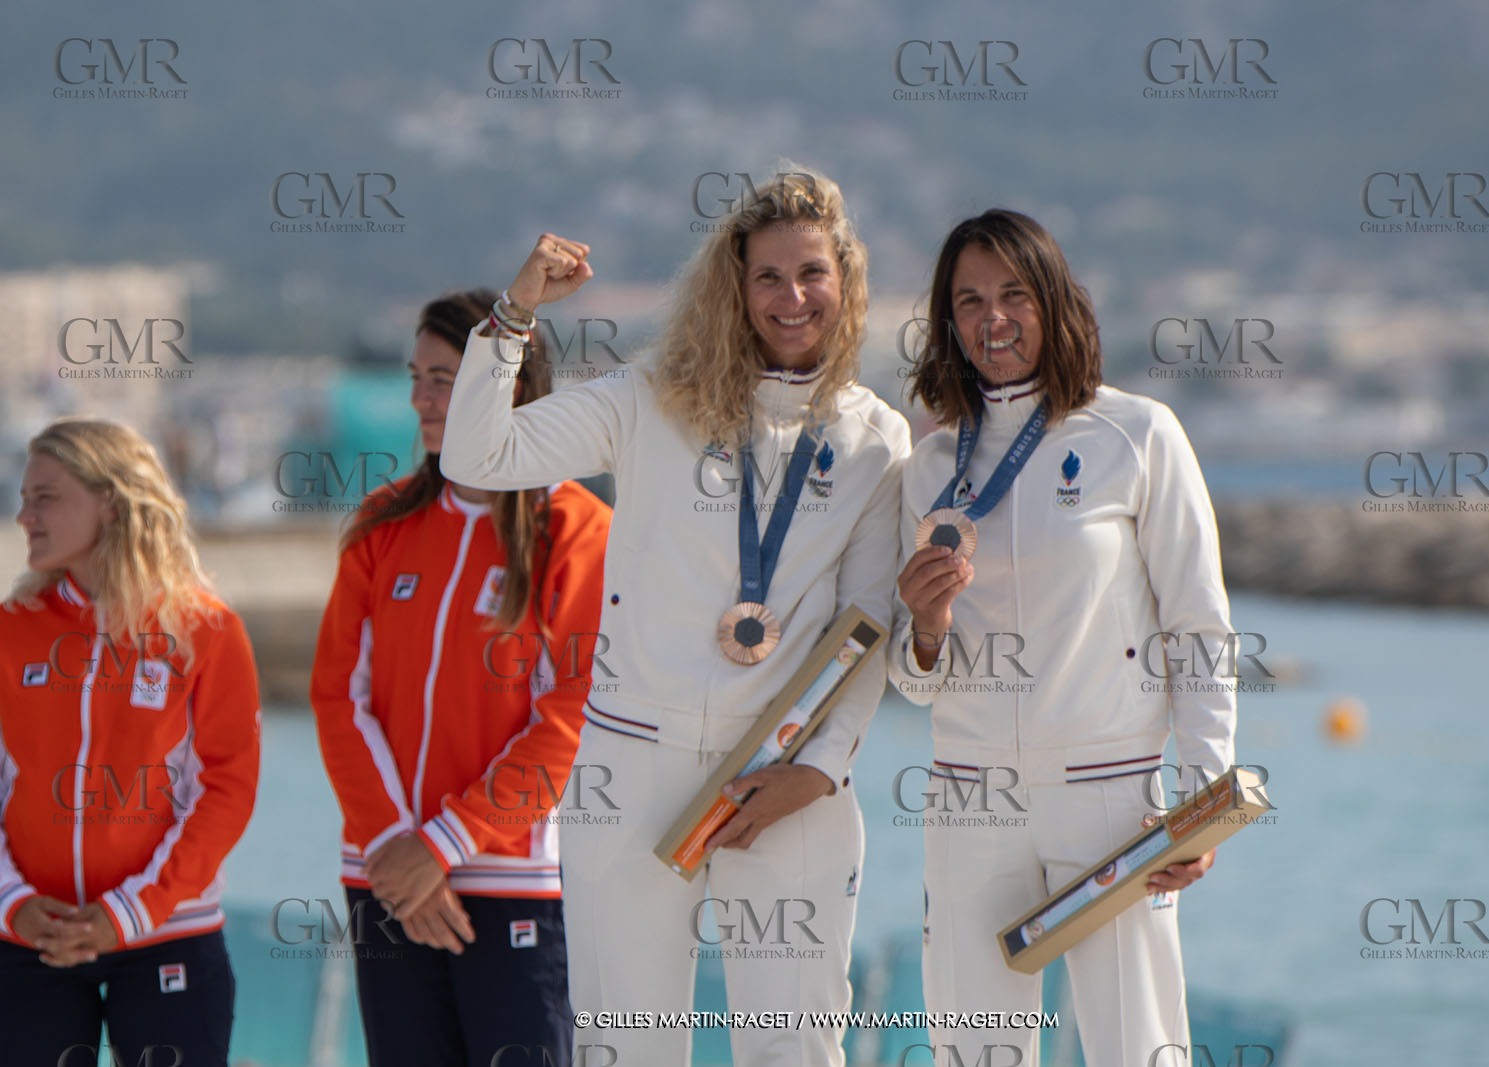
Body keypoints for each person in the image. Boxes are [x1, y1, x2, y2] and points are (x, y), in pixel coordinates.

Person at [438, 170, 910, 1065]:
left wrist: (816, 770)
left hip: (787, 779)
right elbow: (478, 450)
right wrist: (517, 310)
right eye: (767, 276)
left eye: (811, 272)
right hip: (630, 769)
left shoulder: (872, 435)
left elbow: (867, 624)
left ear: (843, 281)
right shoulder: (649, 394)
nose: (791, 296)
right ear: (733, 288)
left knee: (794, 1050)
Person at [892, 209, 1236, 1067]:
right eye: (969, 300)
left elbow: (1198, 623)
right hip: (968, 795)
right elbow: (913, 678)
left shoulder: (1138, 433)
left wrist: (1201, 804)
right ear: (948, 321)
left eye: (1013, 293)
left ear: (1053, 299)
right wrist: (926, 628)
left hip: (1111, 797)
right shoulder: (928, 468)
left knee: (1138, 1050)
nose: (992, 317)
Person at [311, 289, 611, 1066]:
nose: (419, 399)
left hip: (517, 881)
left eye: (442, 379)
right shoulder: (383, 523)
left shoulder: (576, 530)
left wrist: (441, 845)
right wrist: (392, 847)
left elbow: (570, 715)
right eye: (416, 377)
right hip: (383, 880)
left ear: (502, 384)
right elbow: (338, 697)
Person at [0, 417, 262, 1066]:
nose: (21, 514)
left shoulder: (205, 629)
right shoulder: (10, 631)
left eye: (45, 497)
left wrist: (131, 911)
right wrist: (15, 905)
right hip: (31, 942)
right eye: (24, 496)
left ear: (109, 501)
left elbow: (225, 791)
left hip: (169, 937)